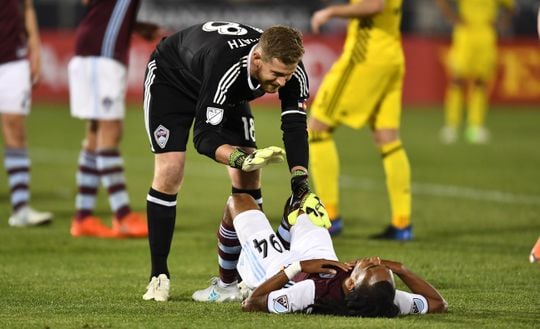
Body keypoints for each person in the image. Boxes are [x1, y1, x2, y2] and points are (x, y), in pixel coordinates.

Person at [142, 21, 327, 302]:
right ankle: (159, 275)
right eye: (276, 74)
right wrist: (239, 158)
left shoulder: (292, 72)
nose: (281, 84)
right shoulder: (226, 66)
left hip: (222, 89)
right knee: (170, 170)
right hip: (174, 78)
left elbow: (294, 127)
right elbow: (204, 137)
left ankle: (245, 278)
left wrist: (300, 181)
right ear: (256, 59)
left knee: (249, 177)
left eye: (287, 76)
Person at [196, 193, 448, 317]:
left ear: (351, 284)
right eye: (384, 269)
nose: (374, 260)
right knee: (305, 203)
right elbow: (438, 304)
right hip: (324, 258)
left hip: (282, 270)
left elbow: (252, 304)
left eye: (371, 268)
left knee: (238, 202)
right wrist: (401, 269)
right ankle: (283, 237)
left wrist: (298, 266)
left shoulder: (312, 294)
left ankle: (227, 285)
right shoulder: (385, 299)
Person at [307, 0, 412, 239]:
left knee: (317, 130)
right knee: (388, 139)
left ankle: (330, 217)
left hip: (366, 57)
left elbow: (375, 5)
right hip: (392, 56)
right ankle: (402, 223)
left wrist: (332, 12)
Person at [68, 0, 161, 238]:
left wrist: (133, 25)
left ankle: (83, 217)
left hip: (95, 49)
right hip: (102, 54)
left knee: (95, 133)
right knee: (110, 131)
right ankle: (122, 216)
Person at [0, 0, 53, 227]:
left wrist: (35, 49)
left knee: (15, 128)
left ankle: (20, 207)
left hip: (13, 56)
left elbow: (28, 6)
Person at [437, 0, 515, 144]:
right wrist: (453, 18)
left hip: (486, 34)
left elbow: (511, 7)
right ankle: (451, 126)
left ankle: (475, 127)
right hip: (465, 33)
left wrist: (501, 22)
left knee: (481, 82)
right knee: (457, 80)